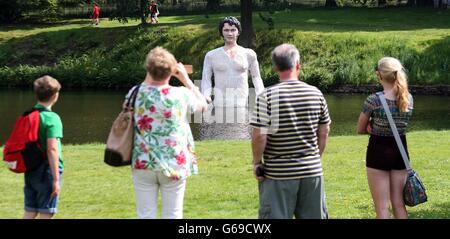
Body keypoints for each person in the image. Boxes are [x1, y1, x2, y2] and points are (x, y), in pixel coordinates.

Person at [250, 44, 331, 219]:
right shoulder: (315, 94)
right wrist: (316, 157)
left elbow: (259, 136)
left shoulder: (266, 96)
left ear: (275, 68)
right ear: (298, 65)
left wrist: (257, 162)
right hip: (312, 171)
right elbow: (324, 132)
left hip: (277, 174)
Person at [126, 47, 207, 219]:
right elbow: (203, 104)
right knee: (173, 214)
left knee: (145, 214)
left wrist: (152, 70)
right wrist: (185, 78)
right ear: (171, 70)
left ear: (148, 69)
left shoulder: (135, 93)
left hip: (143, 161)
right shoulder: (181, 94)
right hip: (174, 161)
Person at [357, 57, 413, 219]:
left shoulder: (374, 100)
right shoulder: (408, 98)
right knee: (399, 204)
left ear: (379, 75)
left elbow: (360, 129)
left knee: (382, 208)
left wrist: (373, 128)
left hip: (378, 152)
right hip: (400, 153)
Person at [201, 16, 264, 108]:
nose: (230, 33)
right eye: (226, 30)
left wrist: (260, 95)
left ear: (238, 32)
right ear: (221, 32)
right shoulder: (211, 56)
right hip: (220, 105)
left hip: (242, 104)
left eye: (233, 30)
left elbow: (256, 77)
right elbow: (206, 79)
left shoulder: (249, 54)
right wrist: (206, 96)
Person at [24, 75, 63, 219]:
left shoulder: (28, 115)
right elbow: (52, 149)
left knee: (30, 210)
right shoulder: (52, 118)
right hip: (47, 170)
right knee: (47, 211)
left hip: (30, 168)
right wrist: (56, 179)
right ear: (55, 95)